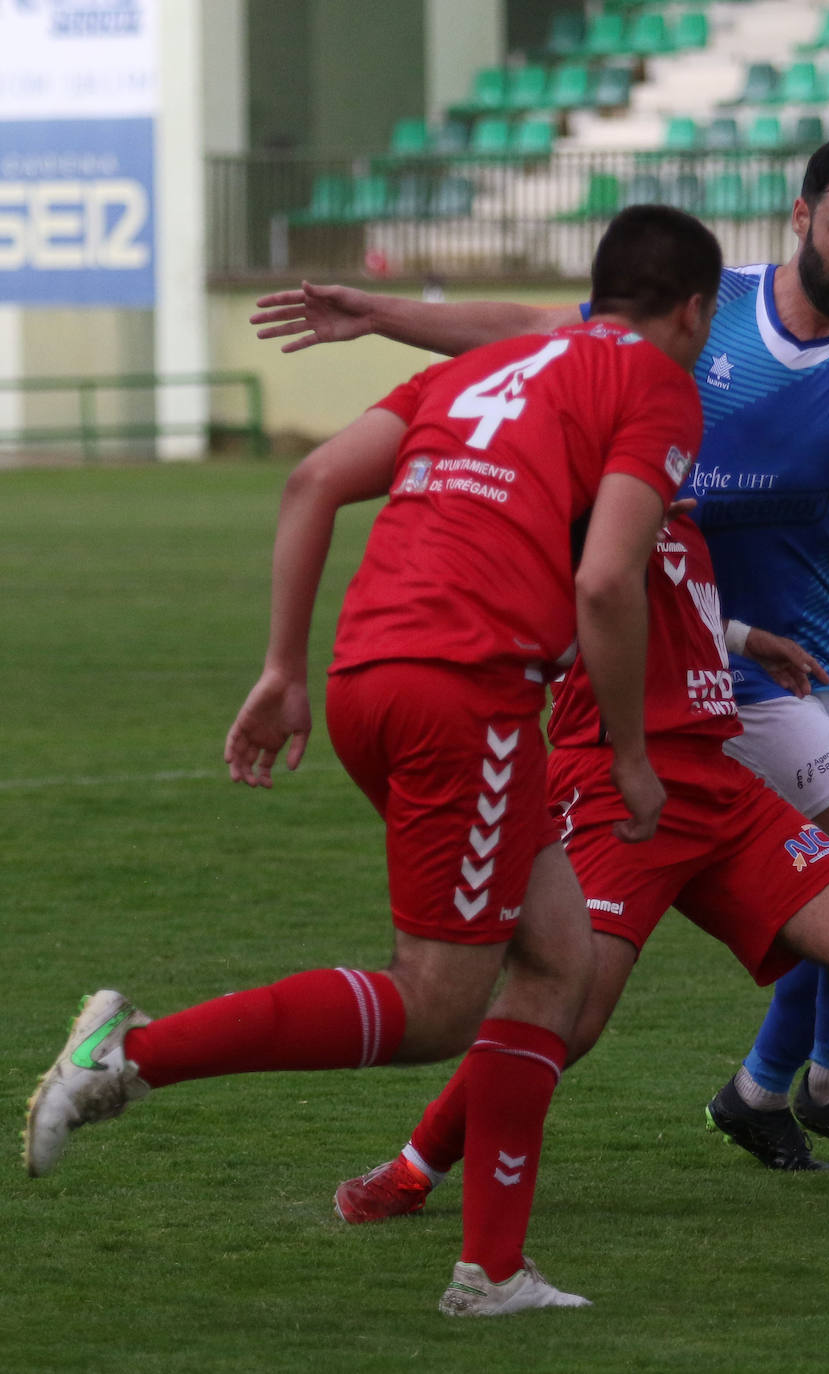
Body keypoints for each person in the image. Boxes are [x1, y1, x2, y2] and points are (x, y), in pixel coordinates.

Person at [248, 131, 829, 1174]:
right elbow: (524, 329)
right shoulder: (700, 314)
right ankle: (806, 1092)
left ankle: (782, 1086)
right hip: (672, 678)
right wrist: (379, 312)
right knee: (827, 892)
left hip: (808, 659)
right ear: (800, 215)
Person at [23, 205, 723, 1316]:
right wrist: (631, 756)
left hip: (367, 673)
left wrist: (280, 669)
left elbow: (310, 484)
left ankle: (491, 1270)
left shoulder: (495, 365)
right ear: (694, 310)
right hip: (471, 689)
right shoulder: (655, 382)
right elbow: (605, 581)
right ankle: (132, 1053)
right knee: (438, 1003)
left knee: (555, 960)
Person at [326, 511, 829, 1225]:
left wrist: (747, 640)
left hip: (715, 779)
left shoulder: (672, 507)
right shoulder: (580, 503)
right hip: (612, 786)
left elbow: (667, 598)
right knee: (566, 1014)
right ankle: (414, 1169)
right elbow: (585, 594)